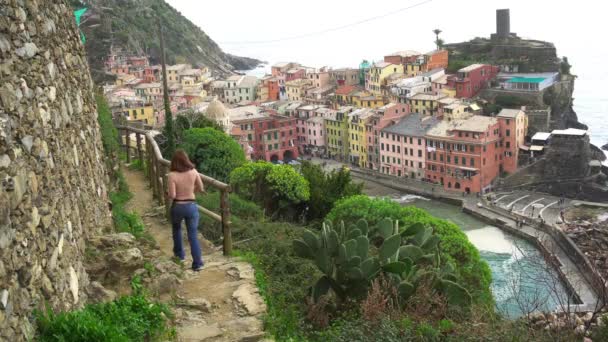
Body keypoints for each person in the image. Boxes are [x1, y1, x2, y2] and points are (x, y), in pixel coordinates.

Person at [167, 149, 205, 271]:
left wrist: (167, 193)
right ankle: (197, 264)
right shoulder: (193, 172)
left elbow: (172, 195)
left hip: (178, 206)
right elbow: (201, 187)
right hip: (191, 206)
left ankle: (180, 256)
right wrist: (191, 191)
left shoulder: (172, 175)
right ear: (186, 159)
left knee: (176, 229)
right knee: (193, 235)